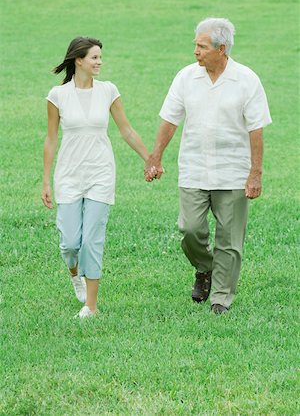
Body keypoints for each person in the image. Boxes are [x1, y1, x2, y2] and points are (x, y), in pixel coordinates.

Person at [145, 17, 272, 314]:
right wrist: (156, 156)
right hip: (194, 168)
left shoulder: (247, 80)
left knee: (230, 238)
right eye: (196, 45)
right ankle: (206, 268)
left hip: (233, 172)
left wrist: (256, 173)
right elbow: (170, 119)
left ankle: (221, 298)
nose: (196, 52)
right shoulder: (186, 77)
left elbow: (256, 130)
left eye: (201, 46)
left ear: (222, 49)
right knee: (189, 229)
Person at [42, 36, 149, 319]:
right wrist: (45, 180)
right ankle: (75, 274)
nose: (99, 62)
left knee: (91, 239)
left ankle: (91, 305)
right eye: (94, 57)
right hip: (68, 174)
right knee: (69, 243)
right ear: (79, 60)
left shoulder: (109, 91)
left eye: (100, 57)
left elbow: (126, 129)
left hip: (101, 172)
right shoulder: (57, 95)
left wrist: (149, 158)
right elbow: (51, 139)